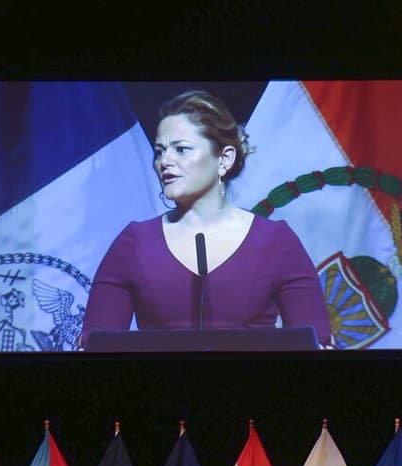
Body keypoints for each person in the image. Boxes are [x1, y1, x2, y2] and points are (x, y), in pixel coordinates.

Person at [80, 89, 333, 349]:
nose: (165, 161)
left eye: (181, 149)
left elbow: (318, 344)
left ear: (224, 159)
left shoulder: (276, 241)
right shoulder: (134, 243)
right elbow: (95, 346)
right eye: (159, 151)